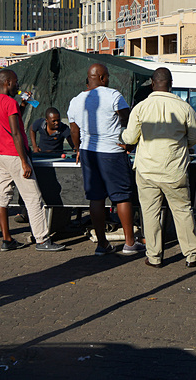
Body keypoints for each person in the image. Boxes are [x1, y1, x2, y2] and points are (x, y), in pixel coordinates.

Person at [122, 67, 196, 268]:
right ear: (171, 84)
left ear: (152, 83)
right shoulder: (185, 108)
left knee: (150, 214)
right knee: (182, 211)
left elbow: (130, 138)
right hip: (174, 169)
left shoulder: (141, 107)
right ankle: (192, 256)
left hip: (146, 170)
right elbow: (194, 137)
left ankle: (154, 257)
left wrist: (123, 137)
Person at [68, 63, 144, 256]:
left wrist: (77, 148)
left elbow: (74, 130)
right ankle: (129, 243)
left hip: (88, 152)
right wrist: (129, 143)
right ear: (102, 78)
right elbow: (128, 120)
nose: (108, 79)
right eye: (107, 76)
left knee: (96, 197)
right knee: (122, 196)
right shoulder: (113, 95)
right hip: (112, 152)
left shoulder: (76, 100)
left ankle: (102, 244)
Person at [0, 69, 65, 252]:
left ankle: (7, 239)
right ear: (7, 82)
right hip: (15, 156)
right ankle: (42, 239)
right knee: (33, 198)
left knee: (2, 198)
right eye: (15, 82)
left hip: (2, 155)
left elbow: (11, 124)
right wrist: (24, 161)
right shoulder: (9, 103)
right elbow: (15, 132)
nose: (17, 85)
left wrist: (22, 105)